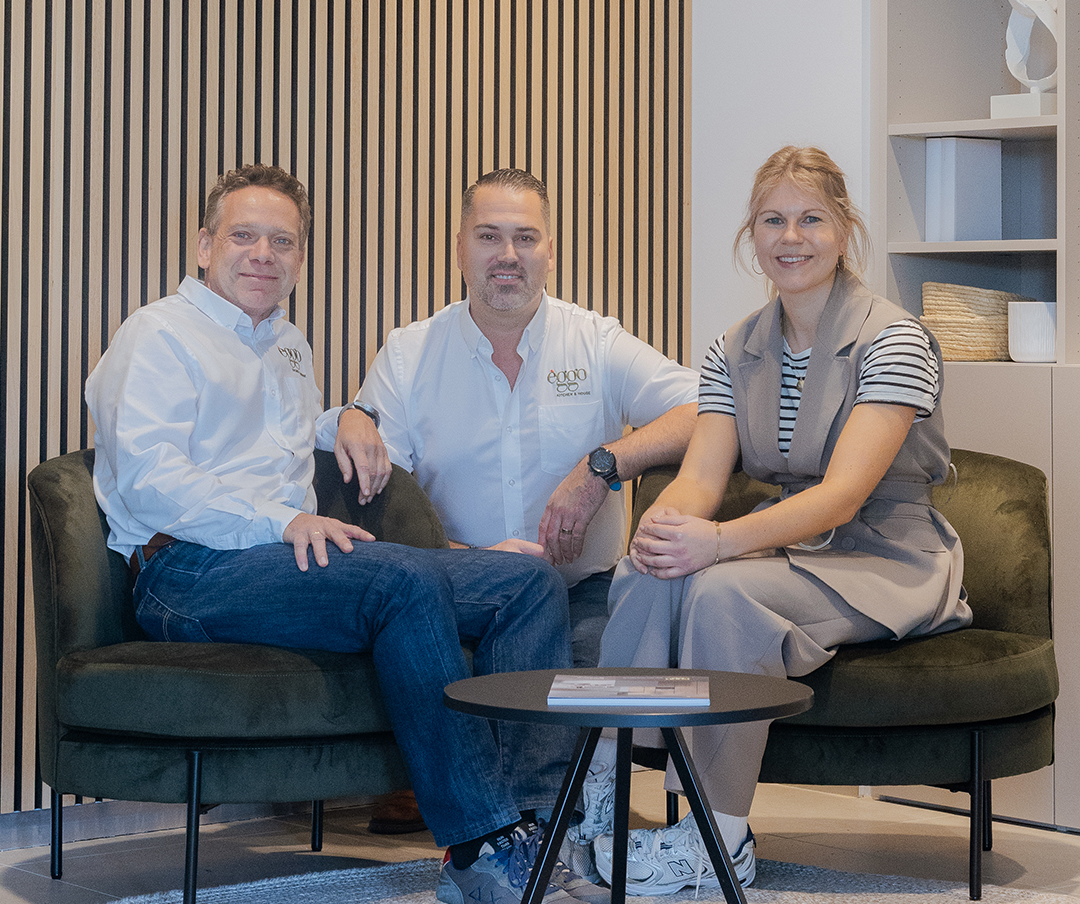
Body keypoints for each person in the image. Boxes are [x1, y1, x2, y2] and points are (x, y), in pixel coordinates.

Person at [85, 164, 605, 904]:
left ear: (299, 258)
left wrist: (350, 418)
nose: (264, 254)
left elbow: (292, 437)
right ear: (204, 246)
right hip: (188, 573)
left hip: (283, 565)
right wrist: (283, 519)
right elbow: (149, 480)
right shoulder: (158, 336)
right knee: (401, 578)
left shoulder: (285, 344)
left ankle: (538, 827)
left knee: (524, 583)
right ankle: (477, 846)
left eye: (283, 242)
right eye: (244, 236)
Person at [572, 146, 972, 895]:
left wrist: (718, 542)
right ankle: (600, 800)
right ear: (751, 236)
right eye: (773, 220)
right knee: (646, 572)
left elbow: (842, 497)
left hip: (885, 554)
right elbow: (699, 476)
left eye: (812, 219)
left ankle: (720, 842)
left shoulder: (895, 339)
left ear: (845, 230)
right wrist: (663, 535)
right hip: (784, 547)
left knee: (722, 593)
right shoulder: (732, 349)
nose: (792, 237)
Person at [323, 168, 699, 671]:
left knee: (592, 729)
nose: (507, 255)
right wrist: (477, 560)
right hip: (458, 588)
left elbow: (711, 407)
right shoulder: (406, 357)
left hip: (585, 595)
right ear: (460, 248)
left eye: (525, 238)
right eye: (488, 237)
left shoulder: (596, 342)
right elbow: (379, 505)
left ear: (550, 251)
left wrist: (601, 466)